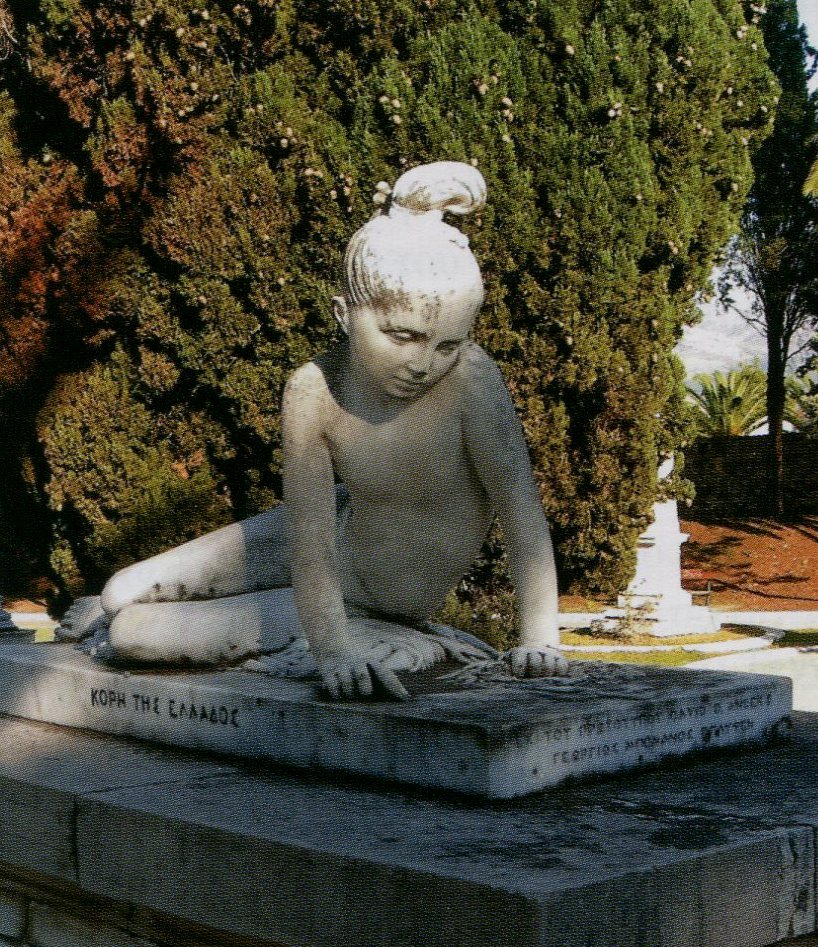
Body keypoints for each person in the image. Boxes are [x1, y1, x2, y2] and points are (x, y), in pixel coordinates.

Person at [60, 161, 568, 699]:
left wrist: (539, 638)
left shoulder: (470, 381)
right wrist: (333, 650)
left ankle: (386, 632)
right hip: (331, 536)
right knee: (119, 593)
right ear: (345, 314)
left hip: (365, 598)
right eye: (401, 336)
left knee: (134, 633)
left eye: (447, 344)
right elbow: (311, 538)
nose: (422, 364)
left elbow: (520, 511)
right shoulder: (312, 389)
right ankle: (115, 612)